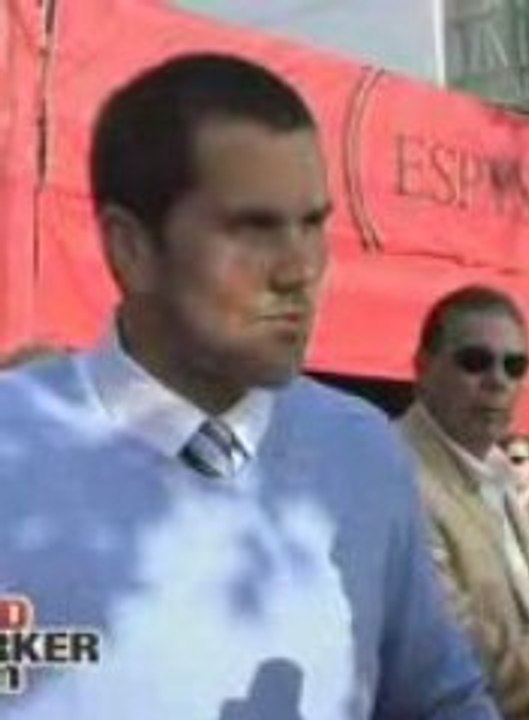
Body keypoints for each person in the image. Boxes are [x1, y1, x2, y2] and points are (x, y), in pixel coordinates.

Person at [0, 53, 497, 718]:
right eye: (253, 228)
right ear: (131, 248)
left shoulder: (360, 452)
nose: (301, 270)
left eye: (314, 224)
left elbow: (440, 700)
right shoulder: (15, 451)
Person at [397, 285, 529, 720]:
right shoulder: (394, 475)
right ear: (422, 367)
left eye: (515, 366)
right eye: (475, 361)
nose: (498, 381)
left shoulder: (500, 470)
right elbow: (454, 657)